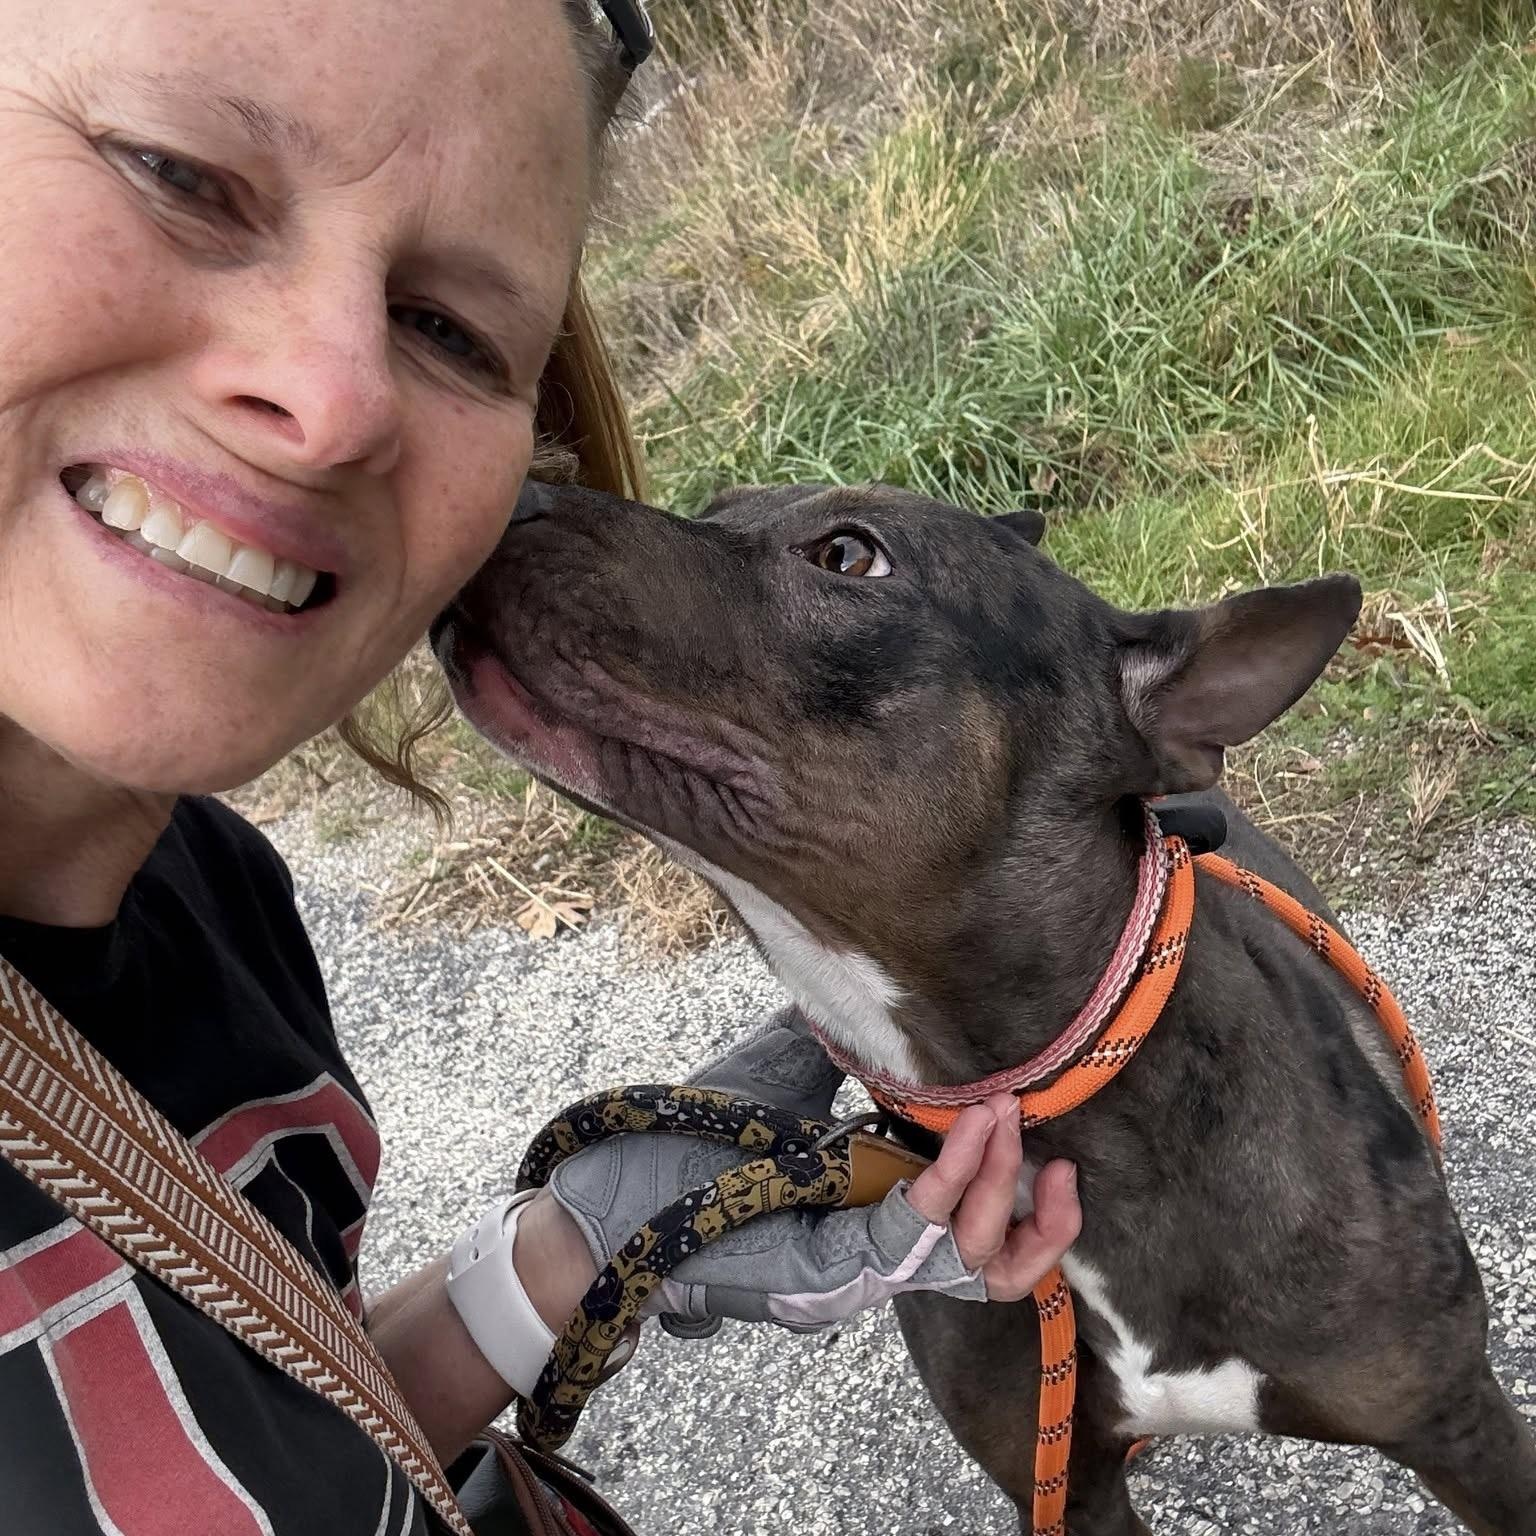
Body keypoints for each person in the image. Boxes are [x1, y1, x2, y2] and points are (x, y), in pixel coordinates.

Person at [0, 0, 1082, 1530]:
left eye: (449, 329)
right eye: (179, 173)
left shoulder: (208, 891)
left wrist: (580, 1241)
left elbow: (279, 1433)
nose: (332, 402)